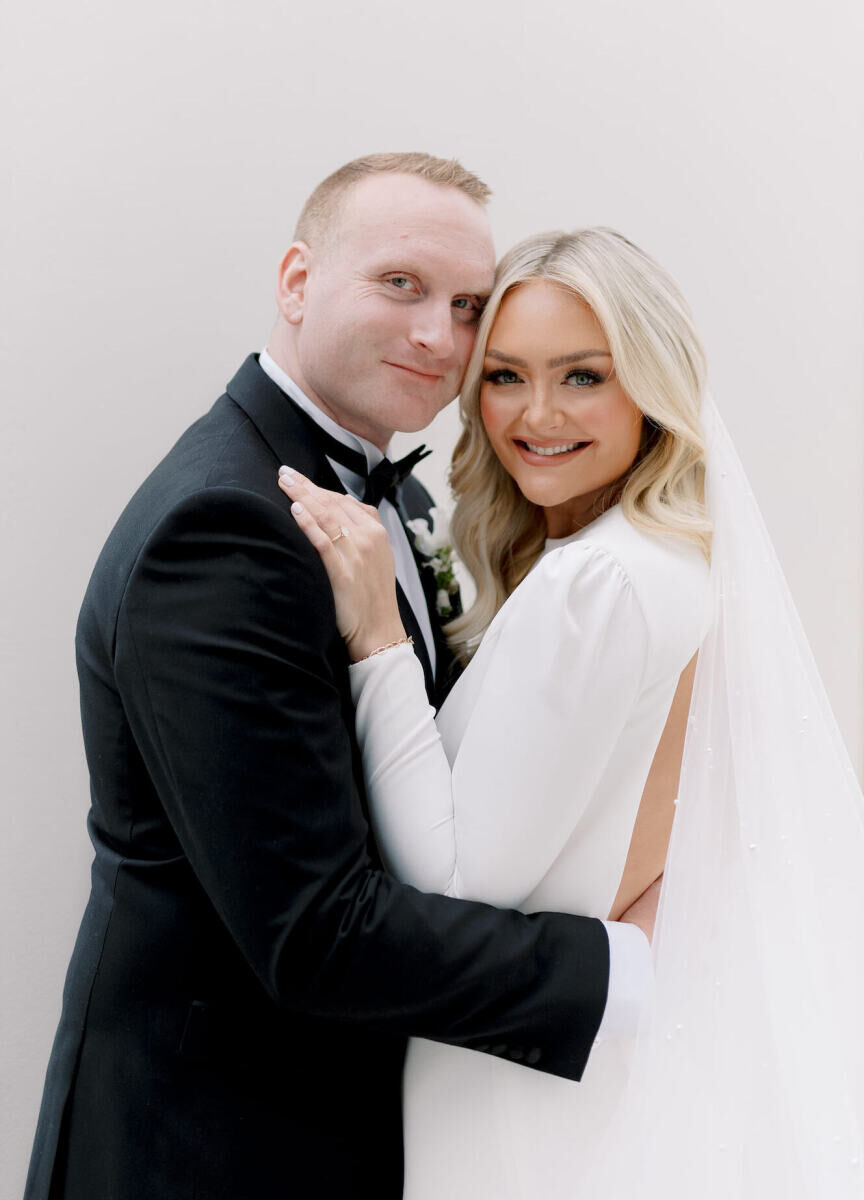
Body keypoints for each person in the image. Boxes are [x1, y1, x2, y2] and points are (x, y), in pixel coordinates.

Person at [24, 157, 657, 1200]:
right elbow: (315, 932)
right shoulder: (226, 525)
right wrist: (618, 968)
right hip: (208, 1148)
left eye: (465, 308)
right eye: (400, 285)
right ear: (296, 280)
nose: (436, 339)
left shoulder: (385, 502)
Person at [279, 227, 864, 1198]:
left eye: (583, 377)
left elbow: (458, 880)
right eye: (504, 376)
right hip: (577, 1064)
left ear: (651, 385)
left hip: (522, 1095)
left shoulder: (598, 581)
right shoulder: (663, 556)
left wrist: (378, 635)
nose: (535, 414)